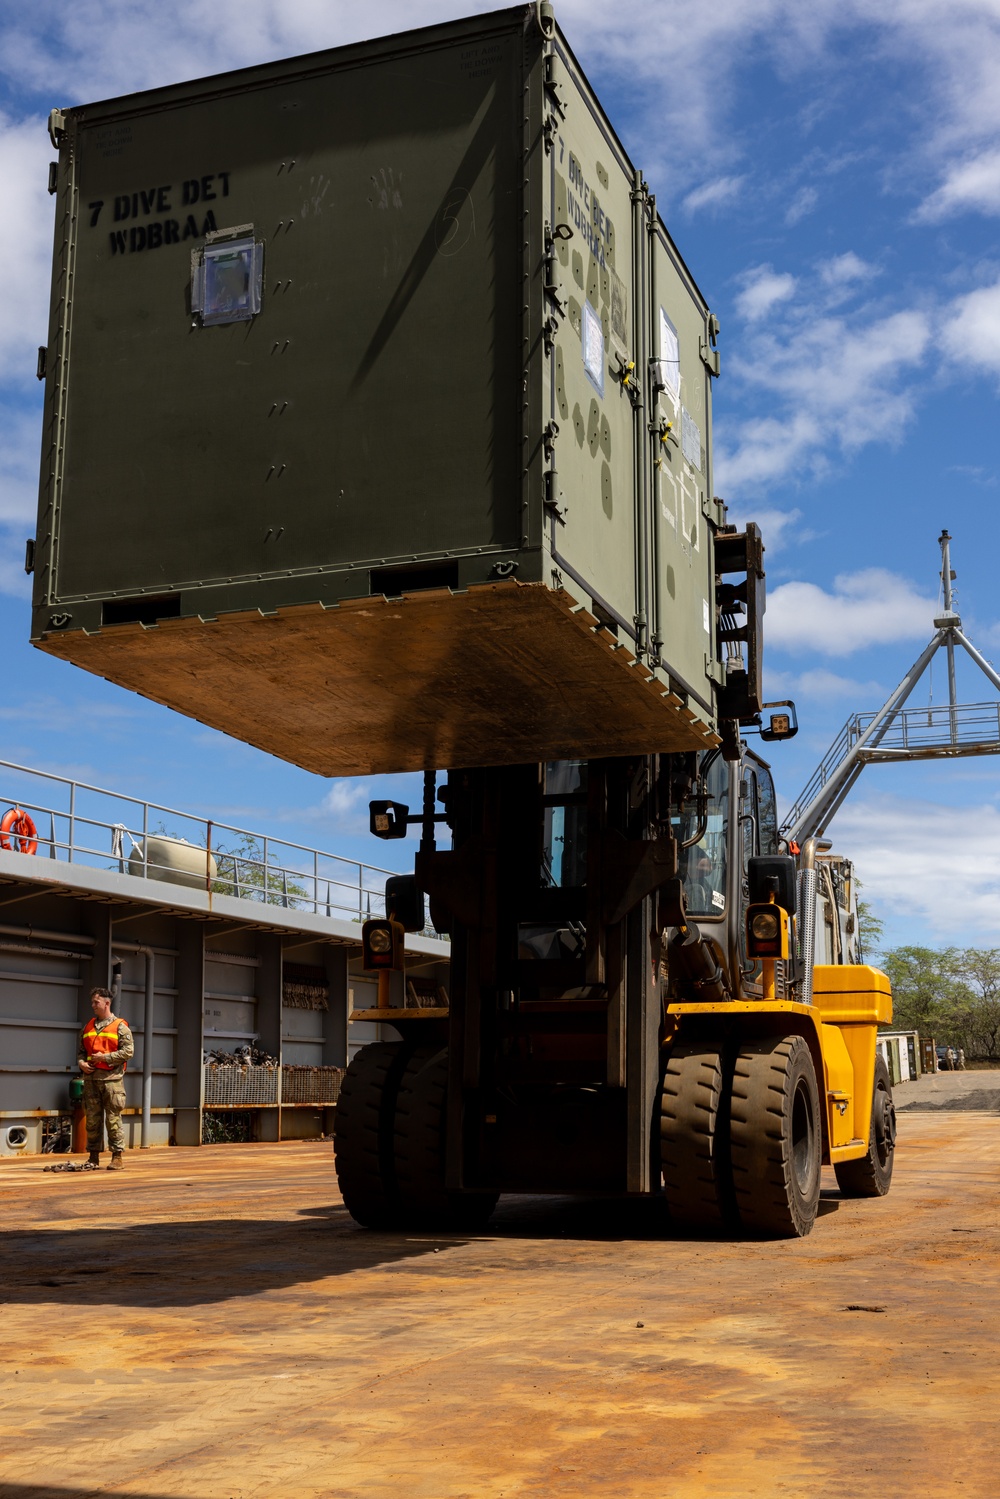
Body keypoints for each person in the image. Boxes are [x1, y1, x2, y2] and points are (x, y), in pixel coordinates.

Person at [78, 986, 134, 1170]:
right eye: (92, 1002)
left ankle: (117, 1157)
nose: (93, 1005)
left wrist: (106, 1058)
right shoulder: (87, 1027)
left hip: (112, 1080)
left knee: (113, 1119)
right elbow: (81, 1051)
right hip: (91, 1080)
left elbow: (128, 1051)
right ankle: (93, 1157)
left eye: (96, 1002)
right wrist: (81, 1063)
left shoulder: (120, 1026)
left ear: (107, 1003)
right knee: (92, 1120)